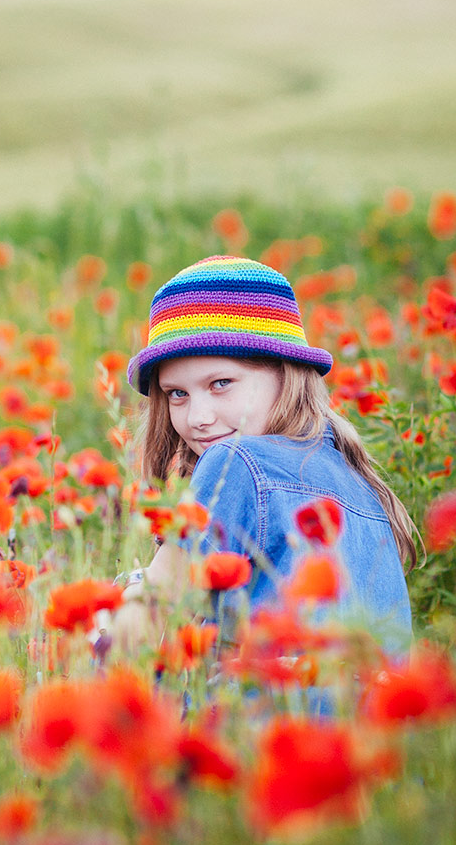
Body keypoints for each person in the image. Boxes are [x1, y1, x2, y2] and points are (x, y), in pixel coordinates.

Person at [120, 254, 416, 644]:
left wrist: (93, 635)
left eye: (221, 383)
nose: (198, 417)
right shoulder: (362, 485)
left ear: (285, 372)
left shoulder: (237, 463)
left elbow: (143, 623)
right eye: (177, 393)